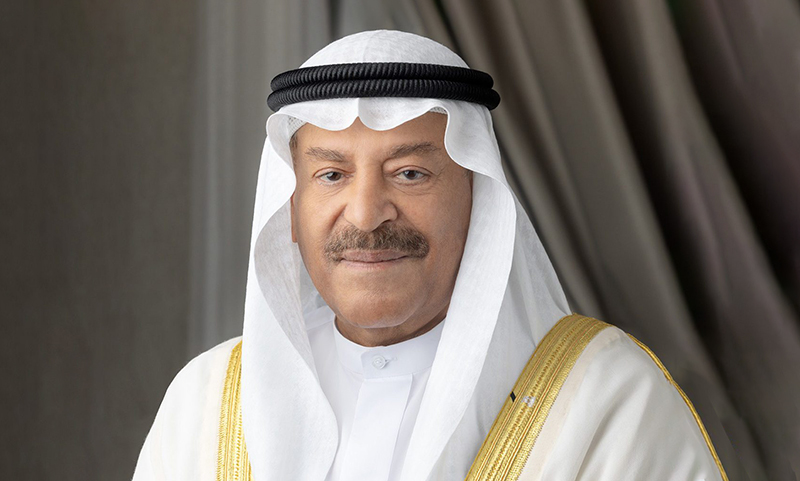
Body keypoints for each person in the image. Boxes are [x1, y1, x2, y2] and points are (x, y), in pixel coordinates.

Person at [132, 30, 727, 481]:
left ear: (478, 201)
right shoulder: (206, 403)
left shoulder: (607, 401)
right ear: (290, 207)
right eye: (332, 175)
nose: (366, 214)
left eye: (409, 172)